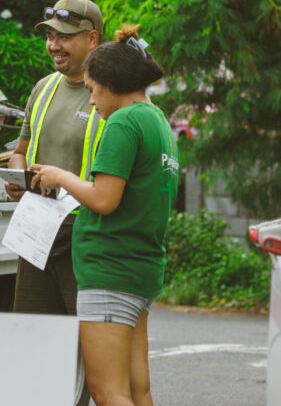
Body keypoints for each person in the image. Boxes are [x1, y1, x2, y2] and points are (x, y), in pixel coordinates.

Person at [30, 26, 179, 406]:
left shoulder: (123, 122)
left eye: (93, 90)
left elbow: (104, 199)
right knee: (137, 390)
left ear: (111, 84)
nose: (92, 102)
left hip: (110, 270)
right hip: (140, 269)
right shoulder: (157, 120)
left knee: (108, 392)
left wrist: (60, 176)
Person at [5, 0, 105, 320]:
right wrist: (18, 177)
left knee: (85, 342)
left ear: (92, 39)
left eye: (64, 37)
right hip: (36, 233)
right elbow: (20, 153)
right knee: (33, 336)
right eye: (50, 37)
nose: (53, 45)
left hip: (84, 238)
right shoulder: (43, 88)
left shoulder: (109, 95)